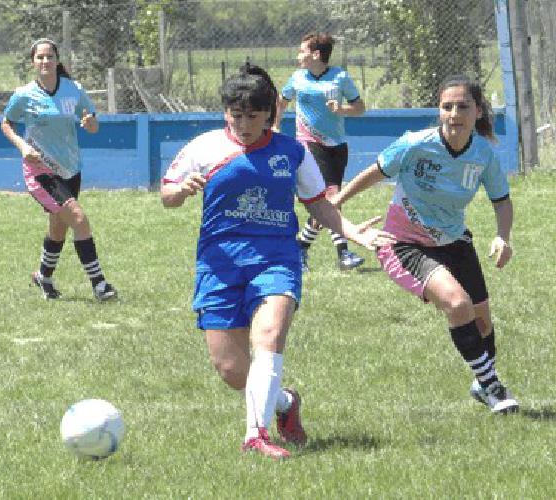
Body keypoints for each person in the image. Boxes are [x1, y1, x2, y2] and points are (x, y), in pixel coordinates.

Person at [161, 63, 396, 459]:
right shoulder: (204, 147)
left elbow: (319, 204)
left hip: (276, 260)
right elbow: (166, 194)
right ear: (226, 114)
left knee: (268, 338)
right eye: (236, 115)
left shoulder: (292, 152)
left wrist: (355, 232)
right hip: (219, 265)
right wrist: (182, 190)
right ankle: (285, 402)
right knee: (233, 371)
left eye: (253, 116)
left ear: (270, 114)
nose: (244, 124)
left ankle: (256, 434)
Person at [332, 75, 520, 414]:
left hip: (455, 241)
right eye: (446, 106)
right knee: (457, 304)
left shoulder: (483, 155)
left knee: (482, 325)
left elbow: (502, 200)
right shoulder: (415, 143)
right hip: (404, 244)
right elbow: (374, 172)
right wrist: (337, 203)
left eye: (463, 106)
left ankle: (482, 380)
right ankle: (494, 388)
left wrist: (502, 236)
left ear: (477, 111)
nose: (453, 114)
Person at [1, 38, 118, 301]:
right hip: (41, 170)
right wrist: (23, 147)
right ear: (33, 61)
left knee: (59, 226)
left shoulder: (73, 89)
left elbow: (93, 124)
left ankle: (43, 276)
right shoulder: (24, 94)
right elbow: (6, 124)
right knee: (78, 218)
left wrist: (89, 123)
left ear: (57, 60)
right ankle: (100, 285)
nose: (45, 61)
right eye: (40, 57)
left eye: (49, 57)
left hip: (71, 168)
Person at [273, 32, 368, 271]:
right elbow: (280, 102)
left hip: (337, 147)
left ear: (316, 54)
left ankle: (301, 248)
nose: (298, 56)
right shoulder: (297, 78)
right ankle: (344, 254)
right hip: (309, 143)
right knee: (330, 197)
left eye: (302, 51)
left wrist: (341, 109)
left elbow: (359, 108)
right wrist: (275, 126)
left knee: (330, 200)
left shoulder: (340, 77)